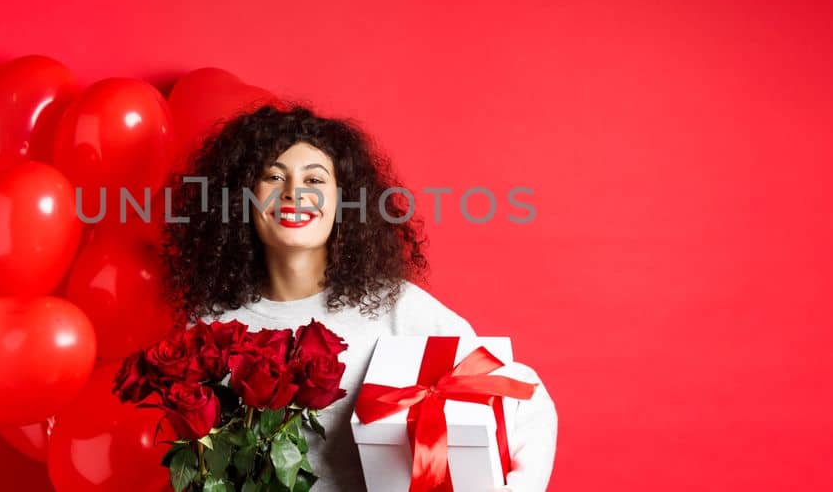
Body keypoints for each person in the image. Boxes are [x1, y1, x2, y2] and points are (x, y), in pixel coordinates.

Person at [162, 104, 558, 492]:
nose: (294, 193)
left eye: (315, 181)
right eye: (273, 177)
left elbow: (522, 396)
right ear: (244, 198)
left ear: (343, 201)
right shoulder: (210, 326)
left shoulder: (394, 306)